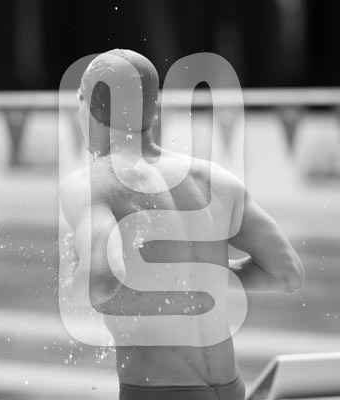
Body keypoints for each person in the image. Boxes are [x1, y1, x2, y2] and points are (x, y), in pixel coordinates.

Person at [60, 49, 304, 400]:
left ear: (90, 107)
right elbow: (287, 274)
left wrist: (74, 277)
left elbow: (102, 280)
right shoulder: (214, 179)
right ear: (153, 109)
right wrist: (202, 274)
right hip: (230, 389)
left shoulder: (91, 183)